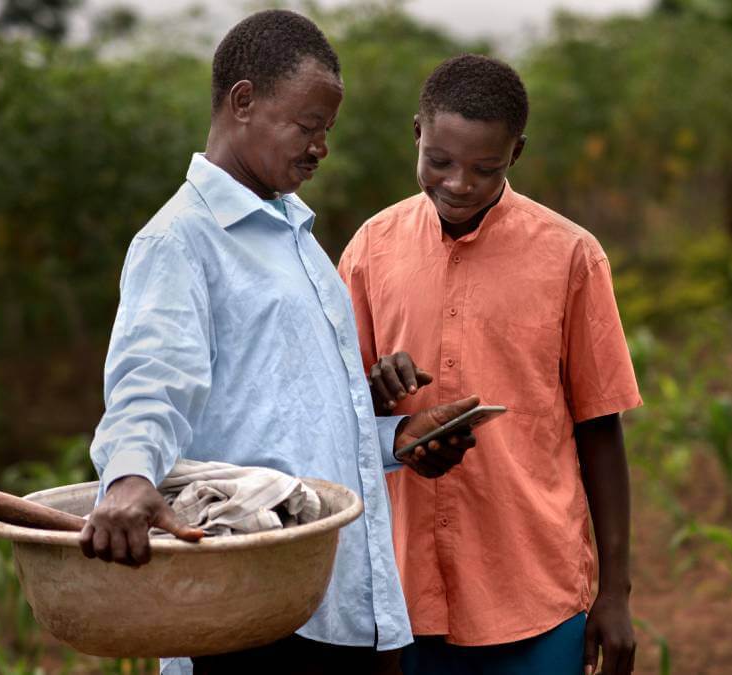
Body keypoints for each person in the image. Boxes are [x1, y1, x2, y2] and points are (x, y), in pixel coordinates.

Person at [79, 11, 479, 675]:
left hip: (338, 604)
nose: (321, 147)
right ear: (243, 102)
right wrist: (127, 474)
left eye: (327, 131)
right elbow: (153, 377)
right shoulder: (182, 241)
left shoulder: (297, 237)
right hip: (249, 612)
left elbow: (294, 421)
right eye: (307, 126)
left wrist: (397, 440)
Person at [338, 54, 643, 675]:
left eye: (486, 168)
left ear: (517, 154)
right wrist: (375, 391)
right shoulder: (372, 249)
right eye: (440, 162)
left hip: (535, 589)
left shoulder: (571, 257)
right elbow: (335, 414)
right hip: (403, 592)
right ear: (416, 133)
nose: (459, 184)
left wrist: (615, 594)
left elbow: (599, 426)